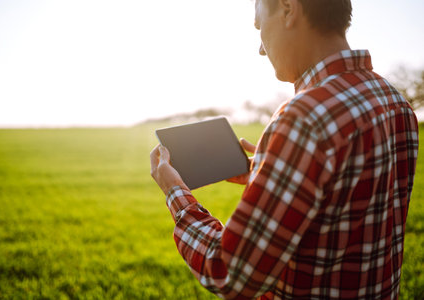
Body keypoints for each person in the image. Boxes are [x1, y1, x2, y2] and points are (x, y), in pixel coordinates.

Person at [150, 0, 419, 299]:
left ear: (289, 9)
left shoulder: (304, 118)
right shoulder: (394, 101)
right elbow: (351, 200)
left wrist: (175, 192)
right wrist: (275, 170)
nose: (261, 49)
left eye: (259, 26)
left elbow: (230, 273)